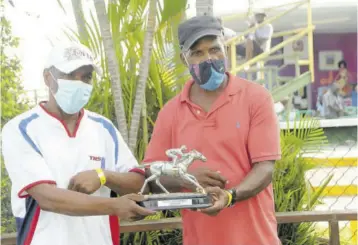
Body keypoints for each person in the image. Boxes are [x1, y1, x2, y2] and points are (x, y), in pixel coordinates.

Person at [143, 15, 281, 245]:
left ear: (225, 50)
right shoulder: (171, 112)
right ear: (184, 59)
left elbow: (265, 167)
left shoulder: (256, 98)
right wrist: (186, 180)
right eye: (197, 53)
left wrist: (229, 197)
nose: (208, 58)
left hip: (257, 239)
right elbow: (152, 173)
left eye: (215, 49)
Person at [1, 43, 154, 245]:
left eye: (86, 77)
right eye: (70, 75)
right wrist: (114, 205)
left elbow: (138, 183)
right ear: (48, 78)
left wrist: (103, 175)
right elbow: (47, 198)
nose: (79, 83)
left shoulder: (103, 127)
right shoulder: (21, 129)